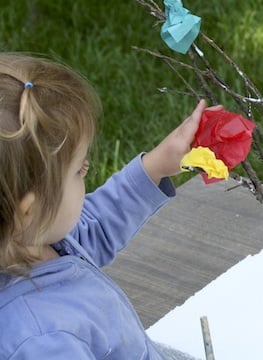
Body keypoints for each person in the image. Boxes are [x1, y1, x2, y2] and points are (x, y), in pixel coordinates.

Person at [0, 52, 206, 359]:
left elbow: (94, 226)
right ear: (27, 211)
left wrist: (154, 167)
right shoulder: (42, 339)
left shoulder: (36, 243)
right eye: (79, 171)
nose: (87, 171)